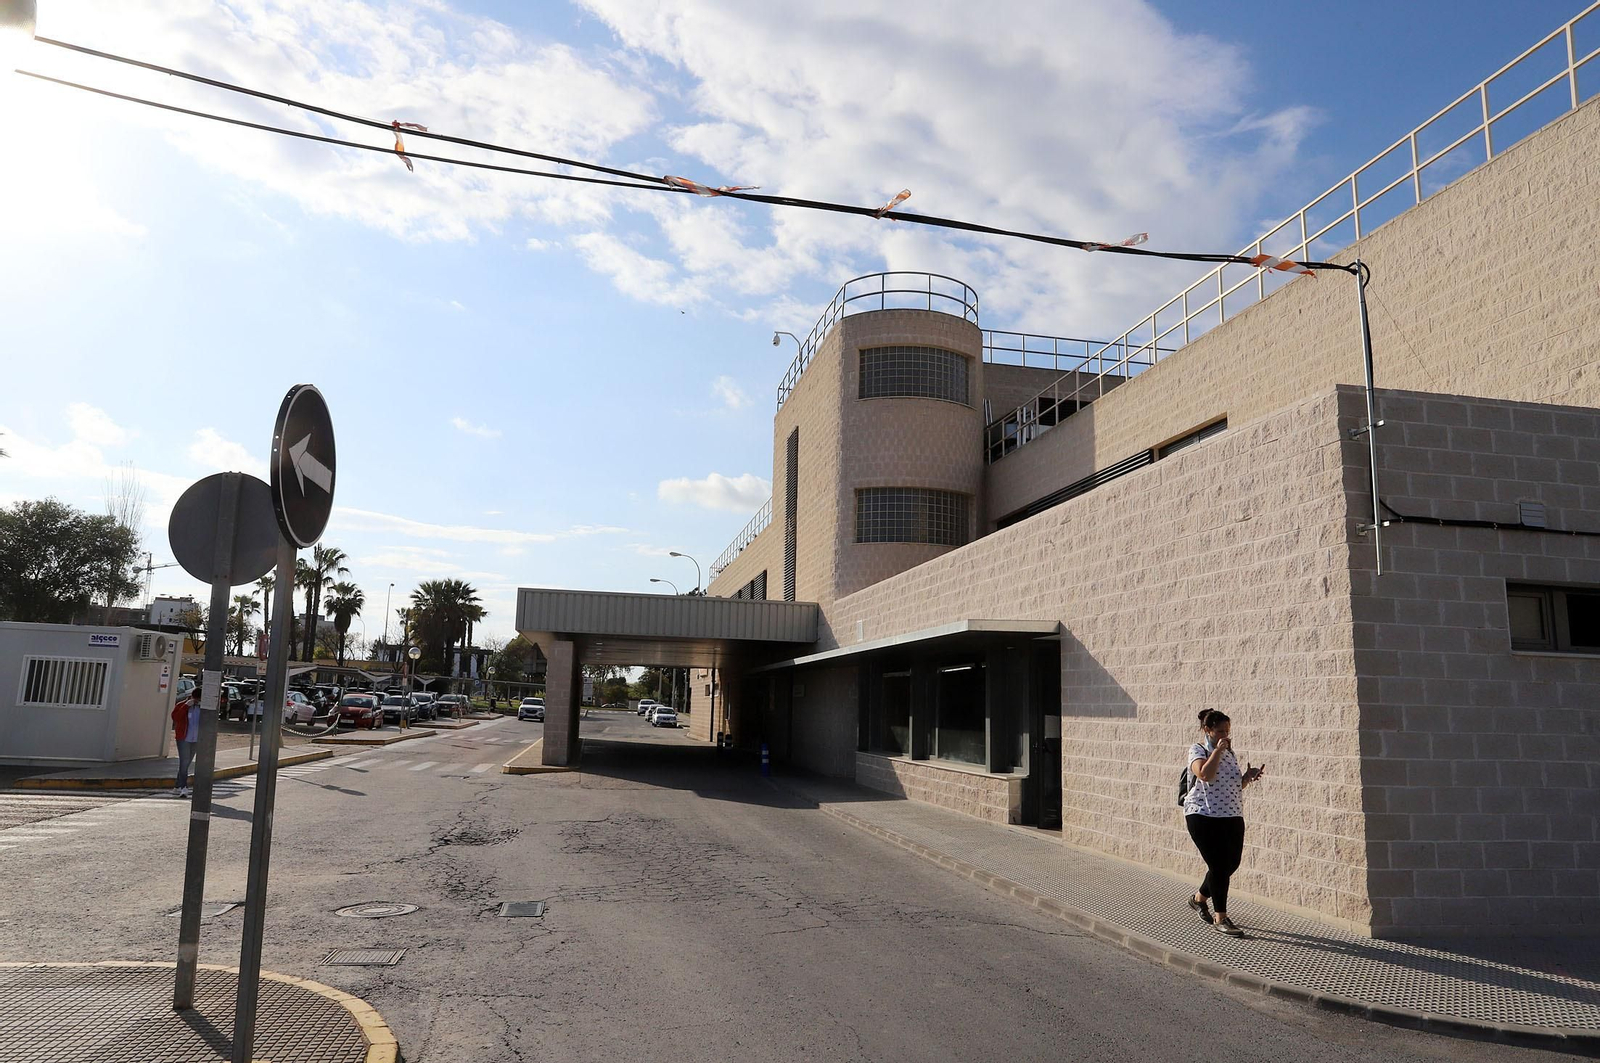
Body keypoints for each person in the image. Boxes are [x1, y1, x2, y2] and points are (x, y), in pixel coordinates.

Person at [1183, 709, 1266, 936]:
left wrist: (1247, 777)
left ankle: (1199, 899)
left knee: (1231, 864)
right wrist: (1217, 752)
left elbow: (1233, 785)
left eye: (1227, 731)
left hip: (1231, 814)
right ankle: (1222, 917)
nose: (1225, 735)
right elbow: (1205, 775)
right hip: (1202, 815)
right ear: (1207, 730)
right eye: (1220, 731)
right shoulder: (1198, 750)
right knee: (1218, 866)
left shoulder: (1230, 753)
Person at [171, 687, 203, 798]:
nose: (198, 702)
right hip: (183, 739)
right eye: (197, 699)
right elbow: (175, 718)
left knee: (187, 763)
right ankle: (184, 787)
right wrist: (186, 706)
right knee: (184, 763)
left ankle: (176, 786)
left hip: (195, 739)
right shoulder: (182, 705)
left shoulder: (202, 708)